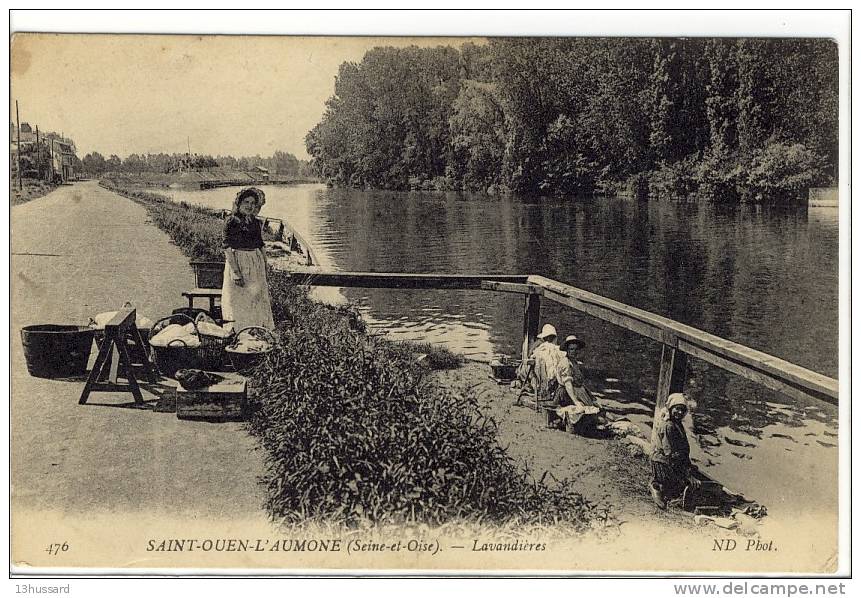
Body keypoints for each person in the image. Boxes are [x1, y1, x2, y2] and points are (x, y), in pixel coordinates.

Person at [222, 187, 275, 333]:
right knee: (238, 299)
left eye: (253, 203)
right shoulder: (231, 221)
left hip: (255, 262)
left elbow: (260, 244)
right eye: (246, 202)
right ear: (239, 203)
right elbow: (227, 247)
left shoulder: (255, 222)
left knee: (256, 297)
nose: (249, 205)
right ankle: (238, 332)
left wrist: (265, 264)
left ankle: (256, 330)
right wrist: (235, 272)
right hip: (238, 261)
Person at [649, 392, 701, 509]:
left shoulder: (677, 424)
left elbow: (681, 449)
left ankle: (668, 484)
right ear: (671, 408)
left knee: (693, 474)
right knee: (683, 486)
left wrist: (687, 466)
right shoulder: (668, 426)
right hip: (663, 462)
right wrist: (687, 474)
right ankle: (657, 486)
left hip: (673, 460)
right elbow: (670, 454)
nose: (680, 413)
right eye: (677, 409)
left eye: (683, 410)